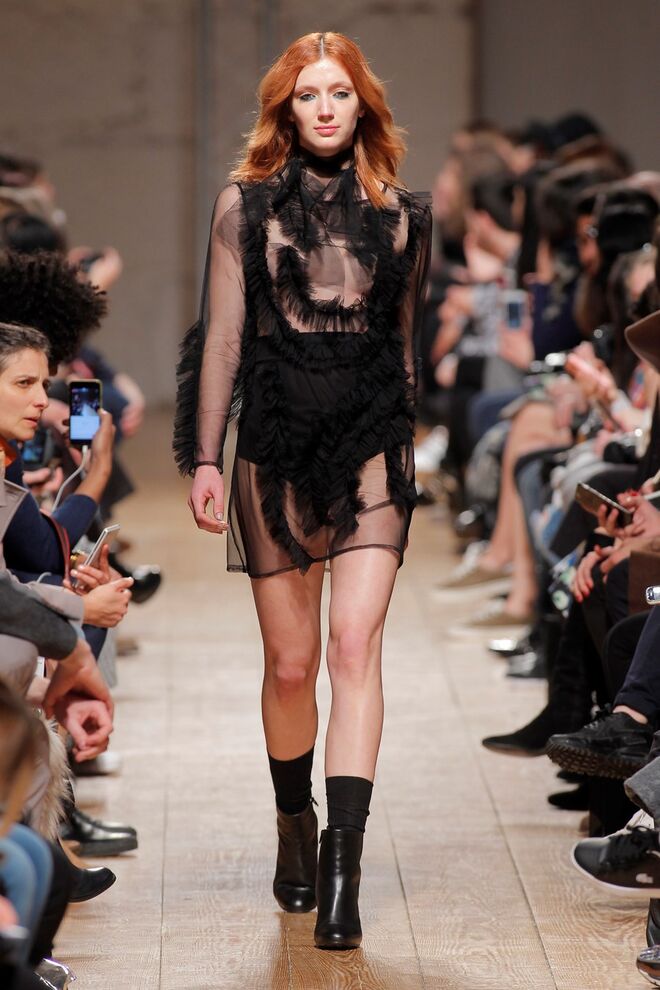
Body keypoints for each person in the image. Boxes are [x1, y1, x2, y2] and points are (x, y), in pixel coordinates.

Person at [174, 31, 431, 950]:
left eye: (340, 93)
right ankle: (296, 823)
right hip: (274, 446)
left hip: (370, 446)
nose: (325, 108)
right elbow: (223, 338)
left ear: (364, 106)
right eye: (308, 95)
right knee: (291, 665)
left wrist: (406, 454)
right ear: (286, 109)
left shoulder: (403, 217)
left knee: (354, 647)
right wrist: (206, 457)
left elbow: (404, 349)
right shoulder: (243, 208)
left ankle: (343, 874)